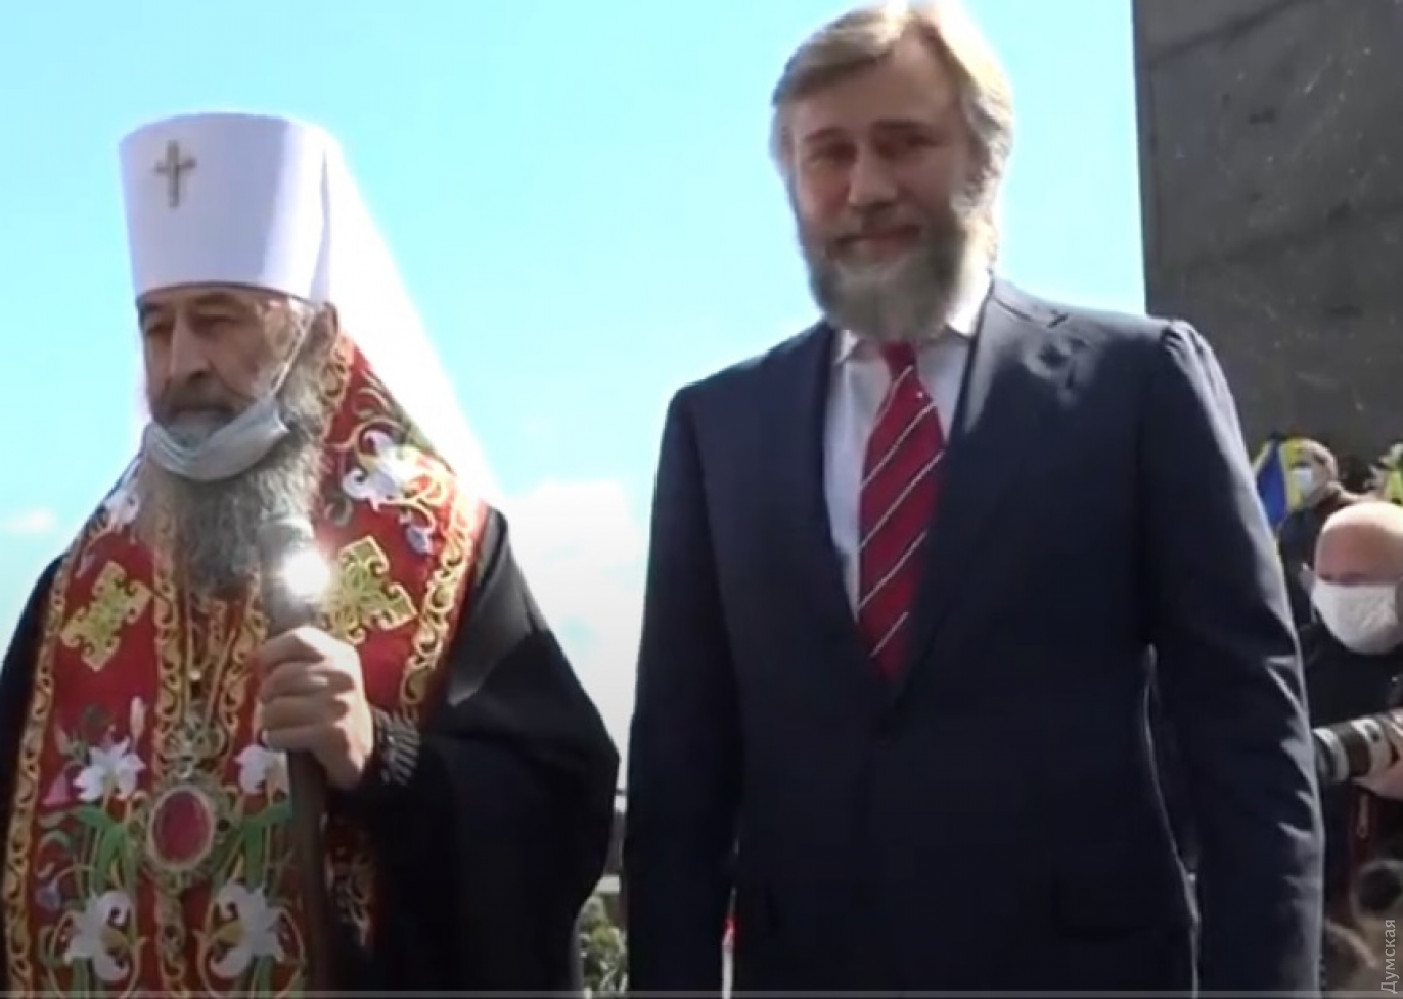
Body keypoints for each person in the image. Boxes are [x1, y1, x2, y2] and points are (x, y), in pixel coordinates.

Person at [623, 2, 1322, 993]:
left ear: (984, 162)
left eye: (903, 143)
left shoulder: (1135, 384)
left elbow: (1247, 736)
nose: (865, 187)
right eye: (828, 154)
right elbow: (678, 776)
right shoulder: (716, 428)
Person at [0, 111, 619, 994]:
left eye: (218, 320)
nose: (181, 364)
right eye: (157, 327)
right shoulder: (79, 587)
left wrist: (382, 754)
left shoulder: (441, 548)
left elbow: (557, 810)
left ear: (317, 338)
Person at [1308, 504, 1403, 915]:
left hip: (1388, 912)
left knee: (1388, 955)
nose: (1338, 597)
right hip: (1315, 902)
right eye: (1325, 581)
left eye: (1355, 582)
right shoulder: (1288, 664)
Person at [1277, 438, 1357, 628]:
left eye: (1304, 465)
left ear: (1327, 468)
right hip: (1305, 625)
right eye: (1293, 468)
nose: (1297, 474)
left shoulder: (1356, 511)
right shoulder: (1292, 521)